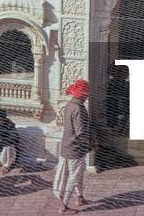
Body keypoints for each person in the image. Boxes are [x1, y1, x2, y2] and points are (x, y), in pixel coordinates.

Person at [53, 78, 92, 214]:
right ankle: (64, 206)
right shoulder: (79, 109)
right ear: (83, 94)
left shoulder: (69, 105)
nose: (87, 95)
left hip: (67, 145)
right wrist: (90, 144)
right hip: (76, 148)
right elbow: (80, 131)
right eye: (86, 93)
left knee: (78, 174)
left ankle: (80, 197)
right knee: (74, 176)